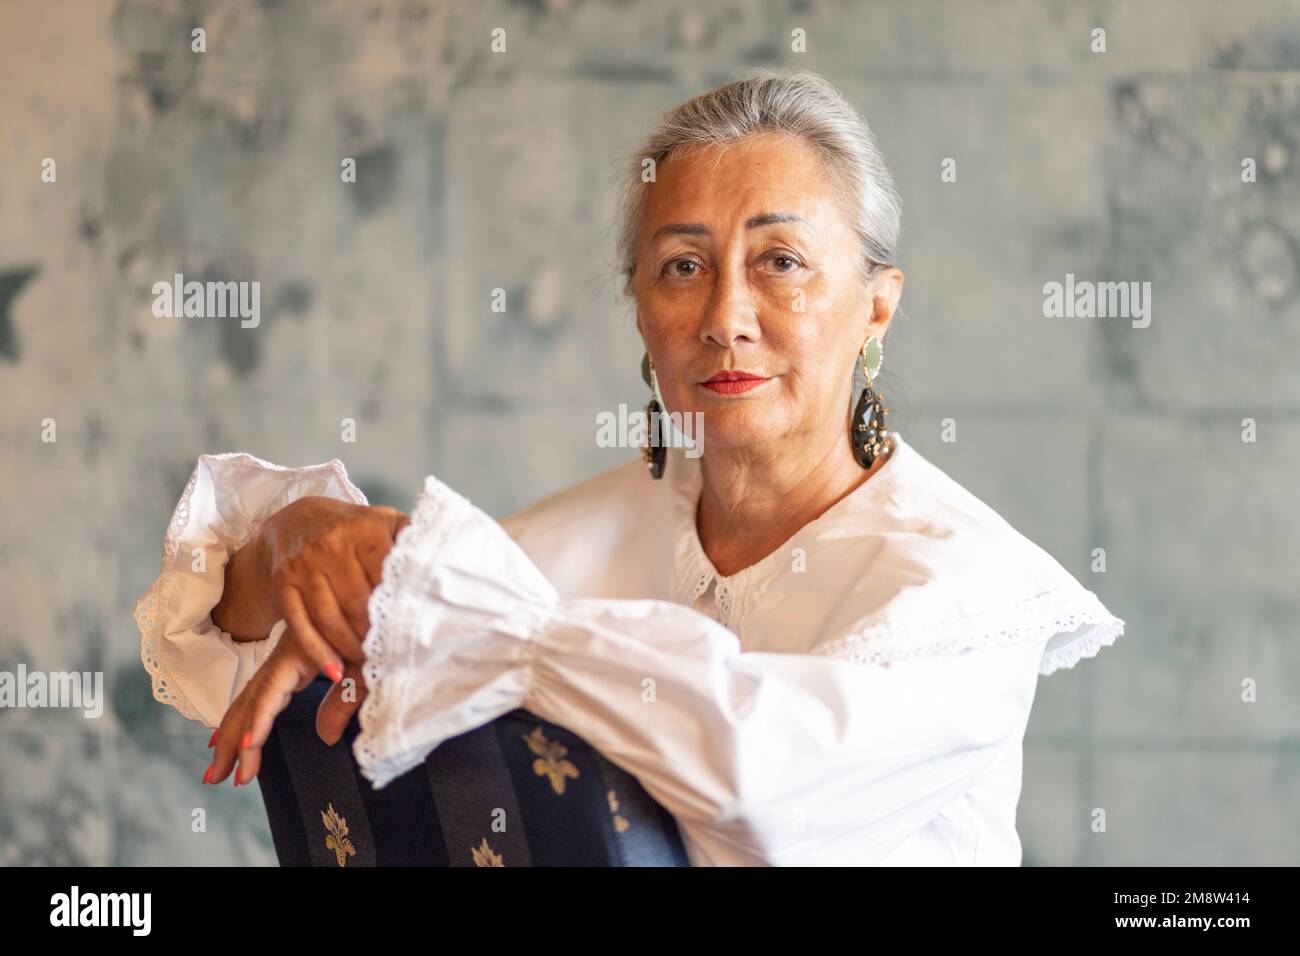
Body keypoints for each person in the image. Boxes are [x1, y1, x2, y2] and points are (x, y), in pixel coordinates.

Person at [134, 69, 1124, 865]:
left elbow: (756, 795)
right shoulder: (565, 541)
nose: (725, 315)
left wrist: (460, 610)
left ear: (876, 304)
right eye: (682, 265)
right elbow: (222, 660)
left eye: (781, 260)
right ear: (641, 306)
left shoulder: (969, 592)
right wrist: (296, 537)